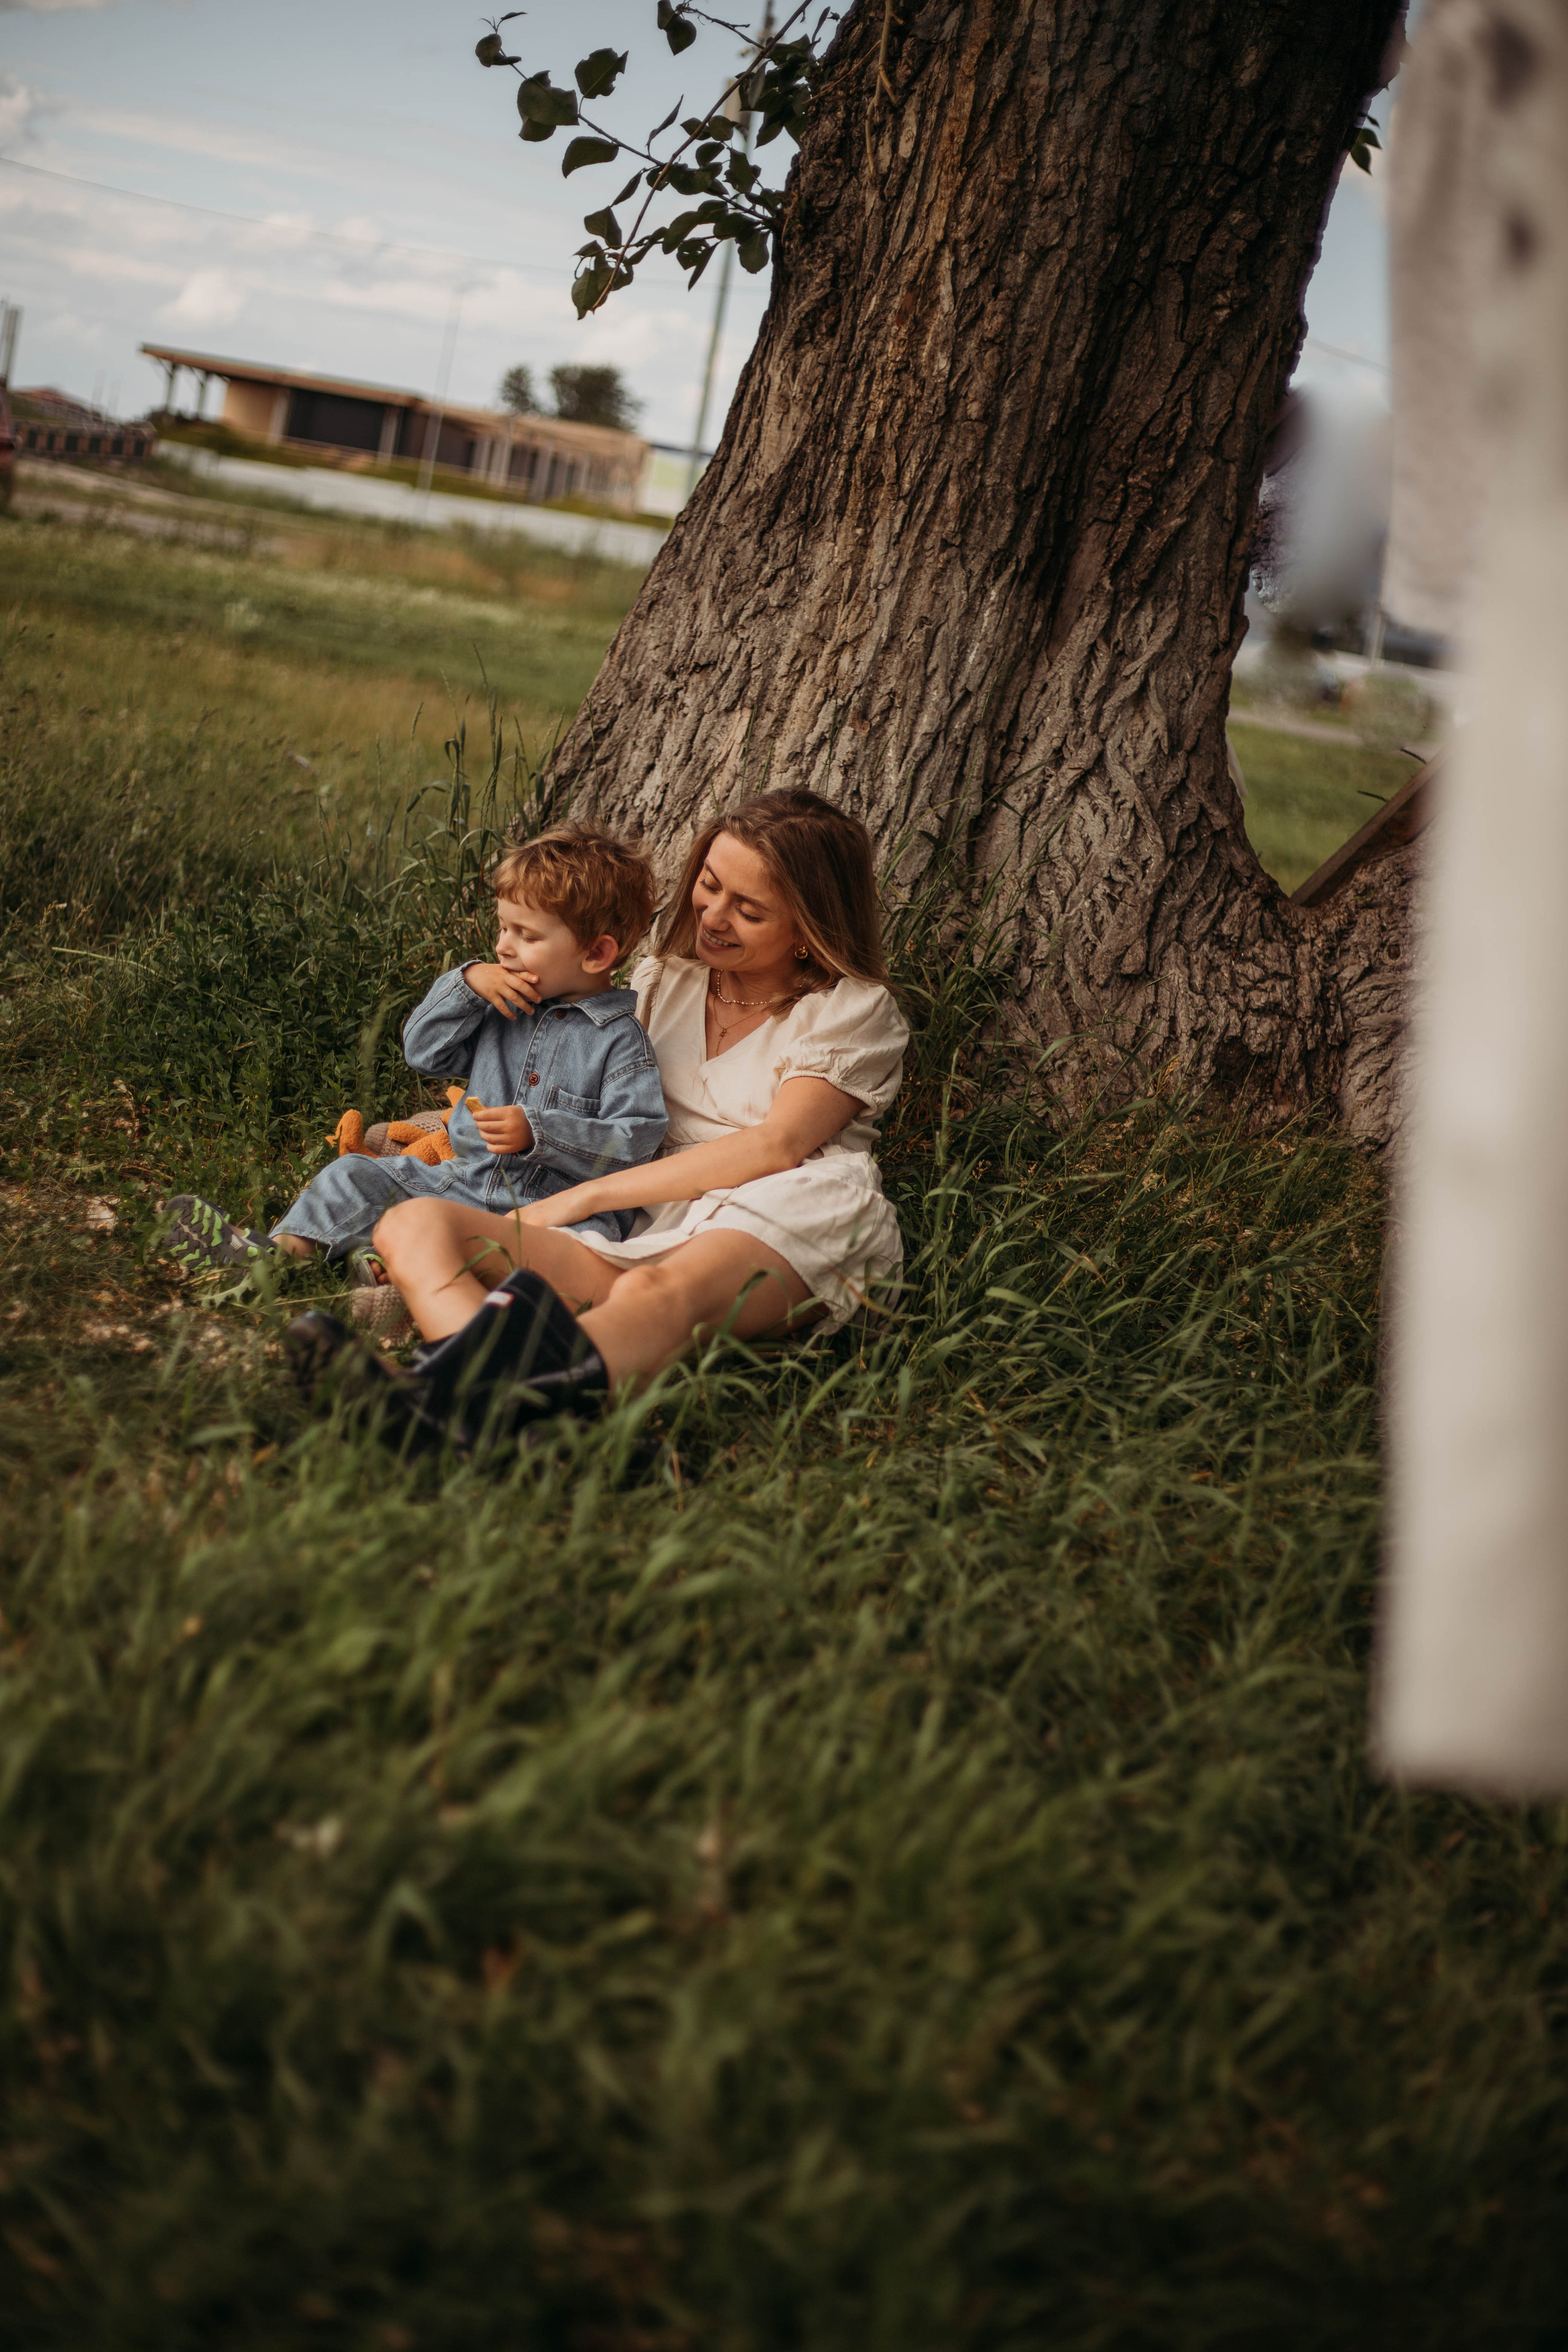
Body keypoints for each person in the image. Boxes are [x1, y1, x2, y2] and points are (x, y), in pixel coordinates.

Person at [285, 789, 910, 1449]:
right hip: (642, 1215)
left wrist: (579, 1198)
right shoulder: (662, 982)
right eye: (709, 885)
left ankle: (445, 1400)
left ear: (809, 928)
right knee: (414, 1224)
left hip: (783, 1206)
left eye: (749, 910)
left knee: (655, 1292)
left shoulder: (852, 1011)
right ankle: (507, 1418)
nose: (715, 916)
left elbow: (777, 1146)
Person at [161, 824, 669, 1301]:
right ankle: (280, 1258)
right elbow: (424, 1052)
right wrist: (466, 986)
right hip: (462, 1183)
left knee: (569, 1258)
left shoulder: (620, 1043)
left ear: (598, 954)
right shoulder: (501, 1002)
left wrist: (541, 1131)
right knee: (357, 1173)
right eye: (502, 928)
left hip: (552, 1216)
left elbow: (637, 1140)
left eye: (526, 936)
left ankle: (399, 1272)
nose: (502, 947)